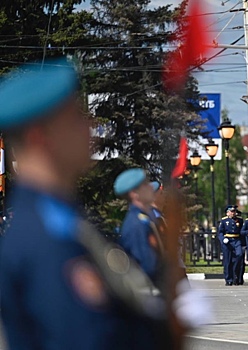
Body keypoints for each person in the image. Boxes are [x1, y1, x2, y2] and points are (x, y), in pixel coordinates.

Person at [0, 59, 170, 349]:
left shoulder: (59, 217)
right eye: (75, 119)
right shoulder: (47, 237)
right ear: (40, 137)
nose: (89, 128)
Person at [114, 168, 164, 284]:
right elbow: (147, 267)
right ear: (134, 194)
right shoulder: (137, 224)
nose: (151, 187)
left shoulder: (145, 218)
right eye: (145, 185)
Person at [218, 205, 243, 286]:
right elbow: (220, 232)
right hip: (227, 241)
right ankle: (229, 279)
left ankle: (236, 276)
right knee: (227, 261)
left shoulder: (239, 220)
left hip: (236, 240)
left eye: (234, 211)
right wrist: (223, 239)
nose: (233, 213)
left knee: (239, 255)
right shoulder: (224, 221)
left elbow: (241, 231)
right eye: (231, 211)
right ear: (227, 213)